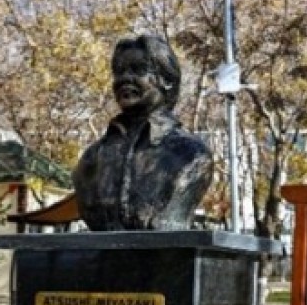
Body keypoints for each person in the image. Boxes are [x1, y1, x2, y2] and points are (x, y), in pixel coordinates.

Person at [73, 35, 214, 232]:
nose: (124, 78)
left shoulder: (190, 155)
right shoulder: (91, 161)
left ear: (167, 80)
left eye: (138, 69)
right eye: (119, 72)